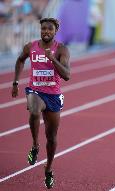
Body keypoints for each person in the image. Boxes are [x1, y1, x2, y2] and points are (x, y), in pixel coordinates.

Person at [11, 17, 70, 189]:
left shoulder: (61, 49)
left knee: (51, 138)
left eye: (49, 29)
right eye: (43, 28)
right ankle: (35, 145)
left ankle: (49, 168)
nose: (46, 31)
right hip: (35, 90)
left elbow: (67, 75)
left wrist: (53, 59)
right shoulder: (31, 47)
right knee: (34, 110)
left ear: (55, 31)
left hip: (53, 96)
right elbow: (20, 60)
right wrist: (15, 82)